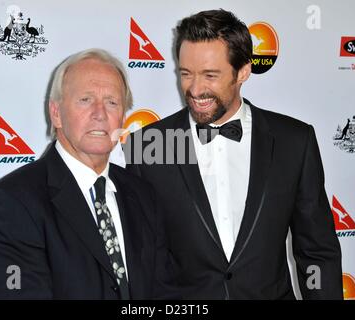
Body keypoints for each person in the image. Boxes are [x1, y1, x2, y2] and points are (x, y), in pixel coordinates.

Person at [125, 9, 343, 299]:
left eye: (210, 75)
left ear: (243, 71)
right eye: (186, 74)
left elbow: (317, 251)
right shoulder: (150, 145)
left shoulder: (293, 142)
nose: (195, 89)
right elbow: (141, 261)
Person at [0, 49, 175, 299]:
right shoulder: (10, 205)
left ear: (123, 117)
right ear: (56, 113)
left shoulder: (144, 197)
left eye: (112, 102)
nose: (100, 113)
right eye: (85, 100)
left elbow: (166, 296)